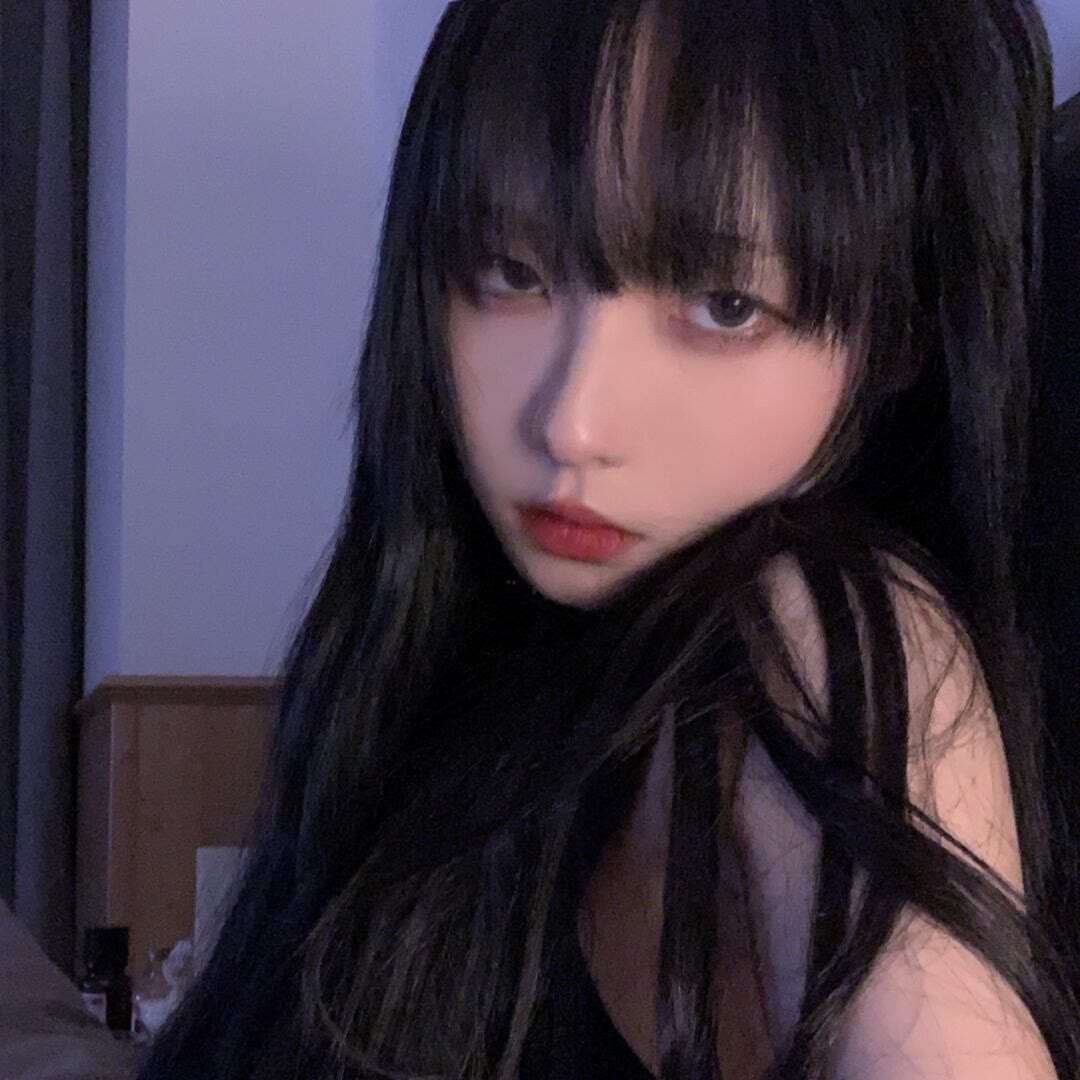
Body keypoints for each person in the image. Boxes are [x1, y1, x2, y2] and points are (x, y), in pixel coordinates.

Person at [138, 1, 1080, 1077]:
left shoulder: (827, 626)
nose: (570, 422)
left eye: (726, 306)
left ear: (897, 336)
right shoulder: (441, 678)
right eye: (512, 272)